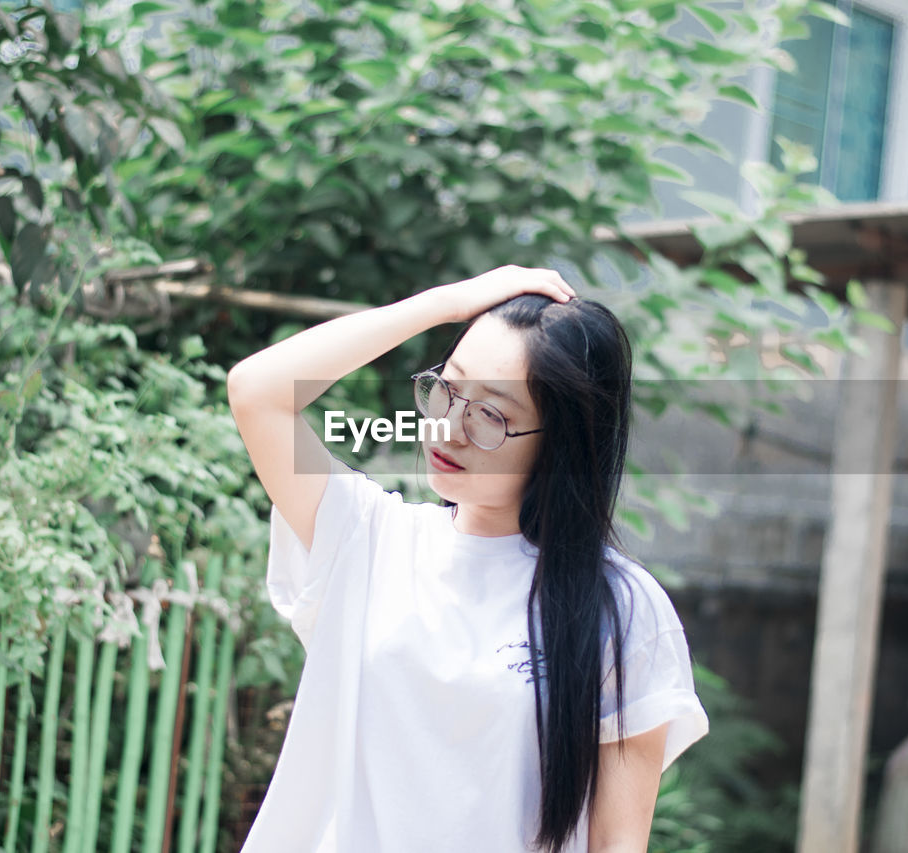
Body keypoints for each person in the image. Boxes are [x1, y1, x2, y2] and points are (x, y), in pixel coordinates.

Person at [227, 265, 708, 853]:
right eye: (448, 388)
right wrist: (445, 303)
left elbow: (617, 842)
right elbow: (258, 392)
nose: (448, 426)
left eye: (492, 416)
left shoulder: (620, 607)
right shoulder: (367, 537)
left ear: (563, 443)